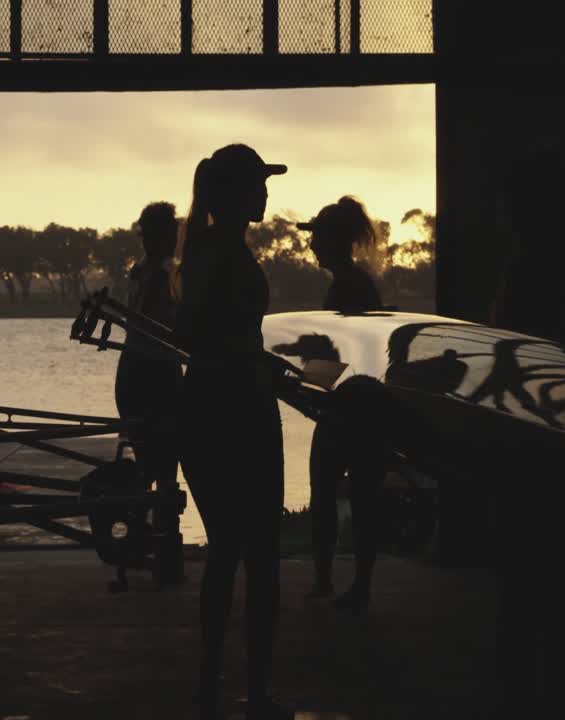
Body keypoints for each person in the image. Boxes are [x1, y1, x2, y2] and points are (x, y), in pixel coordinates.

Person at [173, 144, 293, 719]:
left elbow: (202, 338)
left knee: (225, 551)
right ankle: (259, 690)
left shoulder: (202, 252)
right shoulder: (223, 256)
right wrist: (259, 368)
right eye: (259, 183)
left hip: (206, 410)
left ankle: (207, 681)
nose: (266, 192)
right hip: (241, 411)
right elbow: (220, 340)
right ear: (236, 193)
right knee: (261, 556)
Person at [298, 197, 389, 612]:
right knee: (355, 493)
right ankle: (345, 582)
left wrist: (310, 387)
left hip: (352, 406)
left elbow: (340, 351)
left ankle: (339, 582)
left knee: (334, 492)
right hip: (360, 403)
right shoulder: (354, 282)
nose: (312, 245)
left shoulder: (346, 287)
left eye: (317, 238)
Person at [114, 201, 184, 584]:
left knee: (146, 465)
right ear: (157, 236)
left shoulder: (137, 273)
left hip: (133, 371)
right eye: (170, 233)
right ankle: (164, 554)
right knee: (166, 469)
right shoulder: (159, 277)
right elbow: (167, 327)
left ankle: (140, 541)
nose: (174, 240)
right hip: (156, 373)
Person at [299, 196, 385, 314]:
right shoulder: (350, 281)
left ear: (335, 240)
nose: (312, 246)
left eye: (319, 237)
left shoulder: (350, 286)